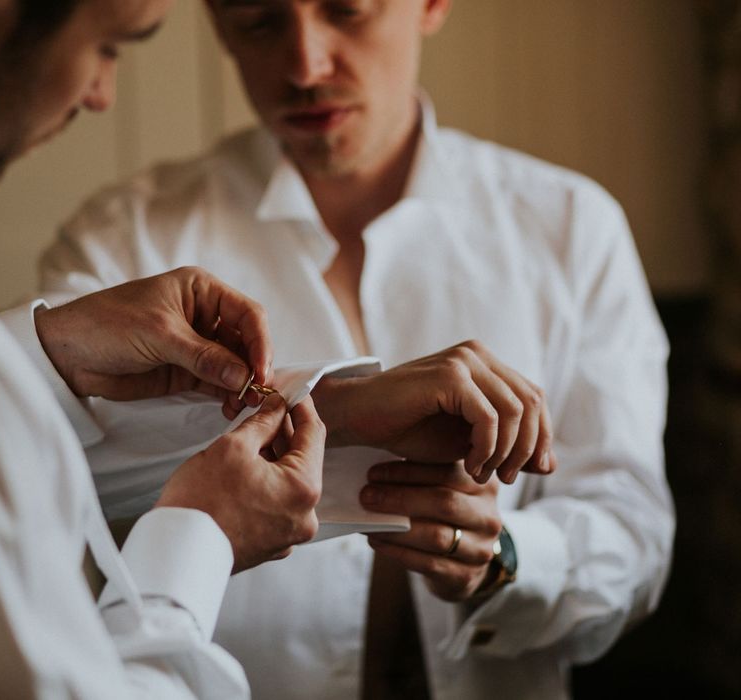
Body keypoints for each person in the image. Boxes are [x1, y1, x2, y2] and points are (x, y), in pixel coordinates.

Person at [38, 0, 675, 698]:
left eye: (348, 10)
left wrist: (512, 559)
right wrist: (336, 410)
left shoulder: (572, 230)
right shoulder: (119, 245)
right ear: (218, 23)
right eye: (259, 21)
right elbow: (54, 496)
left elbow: (633, 528)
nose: (306, 65)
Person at [0, 0, 330, 696]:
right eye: (109, 46)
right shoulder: (113, 229)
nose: (104, 95)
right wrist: (199, 538)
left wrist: (48, 351)